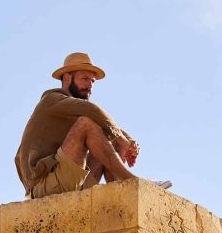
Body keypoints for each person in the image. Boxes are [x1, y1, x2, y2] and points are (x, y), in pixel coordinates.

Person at [14, 51, 171, 198]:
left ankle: (122, 194)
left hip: (69, 180)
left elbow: (102, 122)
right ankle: (132, 182)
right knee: (87, 124)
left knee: (106, 136)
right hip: (45, 185)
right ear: (67, 78)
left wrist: (127, 141)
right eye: (84, 79)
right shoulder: (52, 99)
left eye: (92, 81)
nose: (90, 85)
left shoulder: (71, 110)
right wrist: (120, 137)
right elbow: (92, 110)